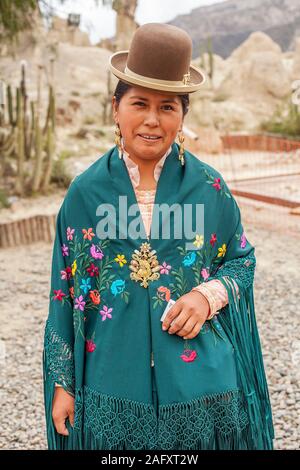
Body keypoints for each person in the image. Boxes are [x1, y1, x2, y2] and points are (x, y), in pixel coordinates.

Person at [43, 23, 274, 450]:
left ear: (183, 116)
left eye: (167, 106)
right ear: (115, 108)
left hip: (201, 387)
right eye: (139, 103)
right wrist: (63, 383)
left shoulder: (210, 188)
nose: (152, 119)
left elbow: (242, 261)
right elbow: (64, 290)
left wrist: (207, 296)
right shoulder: (86, 193)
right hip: (110, 384)